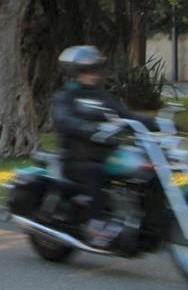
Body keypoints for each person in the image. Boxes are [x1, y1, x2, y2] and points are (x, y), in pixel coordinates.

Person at [51, 45, 154, 248]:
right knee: (97, 172)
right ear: (75, 73)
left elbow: (128, 116)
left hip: (105, 155)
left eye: (95, 69)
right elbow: (63, 120)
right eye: (86, 70)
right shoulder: (66, 97)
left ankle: (140, 223)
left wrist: (158, 124)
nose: (92, 74)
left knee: (142, 168)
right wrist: (85, 127)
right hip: (76, 160)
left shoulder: (102, 96)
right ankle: (95, 226)